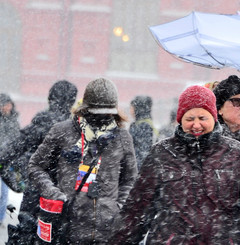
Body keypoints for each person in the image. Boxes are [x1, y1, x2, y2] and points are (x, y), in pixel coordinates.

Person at [112, 85, 240, 244]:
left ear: (214, 118)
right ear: (180, 119)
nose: (196, 124)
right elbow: (136, 209)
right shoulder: (161, 153)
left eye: (202, 118)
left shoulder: (237, 153)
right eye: (189, 118)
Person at [28, 78, 138, 244]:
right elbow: (35, 166)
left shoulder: (122, 138)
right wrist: (54, 194)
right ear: (86, 108)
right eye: (96, 112)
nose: (101, 118)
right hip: (67, 227)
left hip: (106, 232)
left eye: (106, 113)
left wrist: (118, 207)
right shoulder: (62, 131)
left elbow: (130, 179)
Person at [0, 80, 77, 245]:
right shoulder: (77, 130)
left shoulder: (40, 123)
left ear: (50, 98)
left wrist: (14, 181)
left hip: (36, 193)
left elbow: (9, 153)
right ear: (72, 101)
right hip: (63, 197)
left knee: (27, 233)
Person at [0, 93, 20, 226]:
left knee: (4, 190)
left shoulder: (14, 121)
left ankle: (0, 217)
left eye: (8, 104)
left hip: (7, 161)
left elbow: (17, 140)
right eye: (3, 104)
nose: (6, 107)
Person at [129, 95, 158, 170]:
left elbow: (142, 153)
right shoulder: (149, 124)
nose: (130, 110)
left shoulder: (142, 126)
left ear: (138, 109)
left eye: (132, 107)